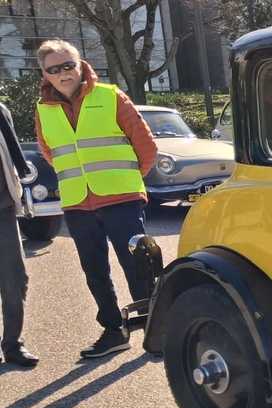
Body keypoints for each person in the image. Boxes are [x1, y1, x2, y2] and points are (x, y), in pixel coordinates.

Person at [33, 39, 157, 359]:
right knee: (94, 270)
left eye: (68, 65)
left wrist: (127, 181)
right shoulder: (43, 110)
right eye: (54, 69)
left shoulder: (110, 96)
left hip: (121, 199)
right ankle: (114, 330)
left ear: (81, 65)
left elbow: (146, 146)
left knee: (138, 265)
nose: (63, 73)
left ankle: (157, 326)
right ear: (44, 74)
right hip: (78, 203)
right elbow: (50, 152)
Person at [0, 101, 37, 367]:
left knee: (15, 279)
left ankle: (13, 344)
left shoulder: (1, 112)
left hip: (3, 209)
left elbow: (11, 157)